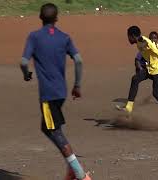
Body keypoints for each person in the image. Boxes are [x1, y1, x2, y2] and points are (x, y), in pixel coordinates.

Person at [20, 3, 91, 180]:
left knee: (53, 131)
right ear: (57, 18)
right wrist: (77, 85)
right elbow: (79, 60)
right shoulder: (64, 37)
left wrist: (26, 74)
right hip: (61, 92)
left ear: (40, 17)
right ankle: (72, 169)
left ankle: (79, 173)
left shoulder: (34, 37)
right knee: (49, 127)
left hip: (48, 95)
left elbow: (23, 62)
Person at [117, 26, 158, 129]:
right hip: (153, 68)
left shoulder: (143, 41)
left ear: (133, 36)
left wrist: (141, 39)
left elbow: (146, 42)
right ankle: (128, 107)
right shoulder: (139, 42)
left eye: (129, 37)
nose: (128, 39)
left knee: (156, 92)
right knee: (135, 79)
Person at [134, 31, 158, 105]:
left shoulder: (157, 46)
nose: (153, 39)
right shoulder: (146, 49)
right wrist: (140, 69)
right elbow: (137, 60)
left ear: (157, 39)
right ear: (149, 39)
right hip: (143, 68)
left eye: (155, 38)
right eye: (151, 38)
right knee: (136, 81)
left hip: (152, 68)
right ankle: (132, 99)